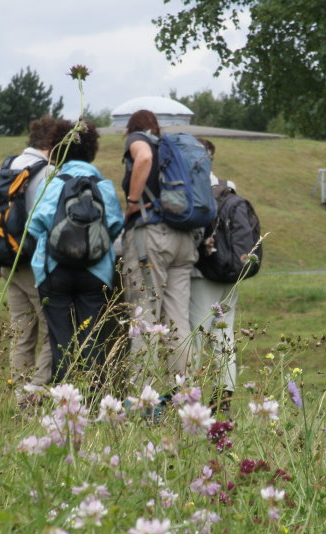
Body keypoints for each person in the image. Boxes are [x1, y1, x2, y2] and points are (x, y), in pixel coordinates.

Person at [27, 119, 124, 384]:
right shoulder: (103, 186)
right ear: (92, 150)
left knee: (60, 339)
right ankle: (92, 400)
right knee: (92, 338)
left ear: (58, 149)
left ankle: (65, 399)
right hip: (95, 273)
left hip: (54, 271)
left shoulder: (52, 184)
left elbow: (34, 224)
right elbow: (115, 225)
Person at [121, 109, 198, 400]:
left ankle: (143, 399)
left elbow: (143, 158)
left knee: (144, 314)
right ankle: (185, 396)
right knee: (179, 318)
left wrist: (132, 201)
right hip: (183, 239)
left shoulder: (139, 139)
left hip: (151, 237)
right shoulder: (173, 150)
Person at [0, 116, 55, 401]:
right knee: (53, 330)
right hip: (33, 263)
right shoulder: (48, 171)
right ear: (52, 143)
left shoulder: (9, 165)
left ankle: (19, 398)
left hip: (7, 261)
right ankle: (35, 394)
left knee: (21, 333)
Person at [190, 138, 238, 415]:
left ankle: (190, 399)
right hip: (229, 271)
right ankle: (224, 398)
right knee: (225, 335)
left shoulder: (194, 189)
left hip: (202, 273)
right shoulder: (228, 186)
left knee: (197, 335)